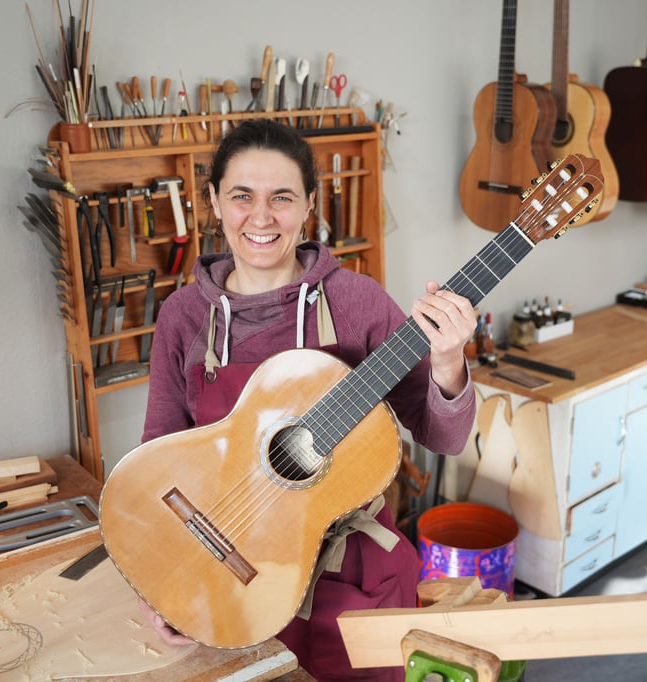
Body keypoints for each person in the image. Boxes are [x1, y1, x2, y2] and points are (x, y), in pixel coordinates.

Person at [137, 118, 478, 680]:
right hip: (229, 572)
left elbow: (445, 435)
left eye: (282, 197)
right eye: (242, 196)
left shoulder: (356, 302)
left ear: (309, 206)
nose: (262, 217)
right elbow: (159, 457)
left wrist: (448, 362)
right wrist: (164, 582)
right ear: (214, 202)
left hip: (350, 583)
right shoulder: (183, 316)